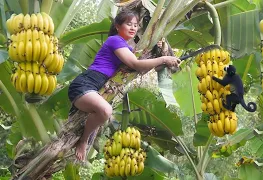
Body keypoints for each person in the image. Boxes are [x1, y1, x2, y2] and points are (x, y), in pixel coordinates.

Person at [68, 10, 181, 161]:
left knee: (104, 112)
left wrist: (159, 51)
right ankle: (83, 141)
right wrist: (165, 59)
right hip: (85, 83)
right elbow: (136, 64)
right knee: (106, 111)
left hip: (96, 88)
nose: (134, 28)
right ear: (117, 26)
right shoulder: (114, 40)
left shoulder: (128, 49)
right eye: (129, 24)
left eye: (136, 25)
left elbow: (143, 67)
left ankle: (82, 140)